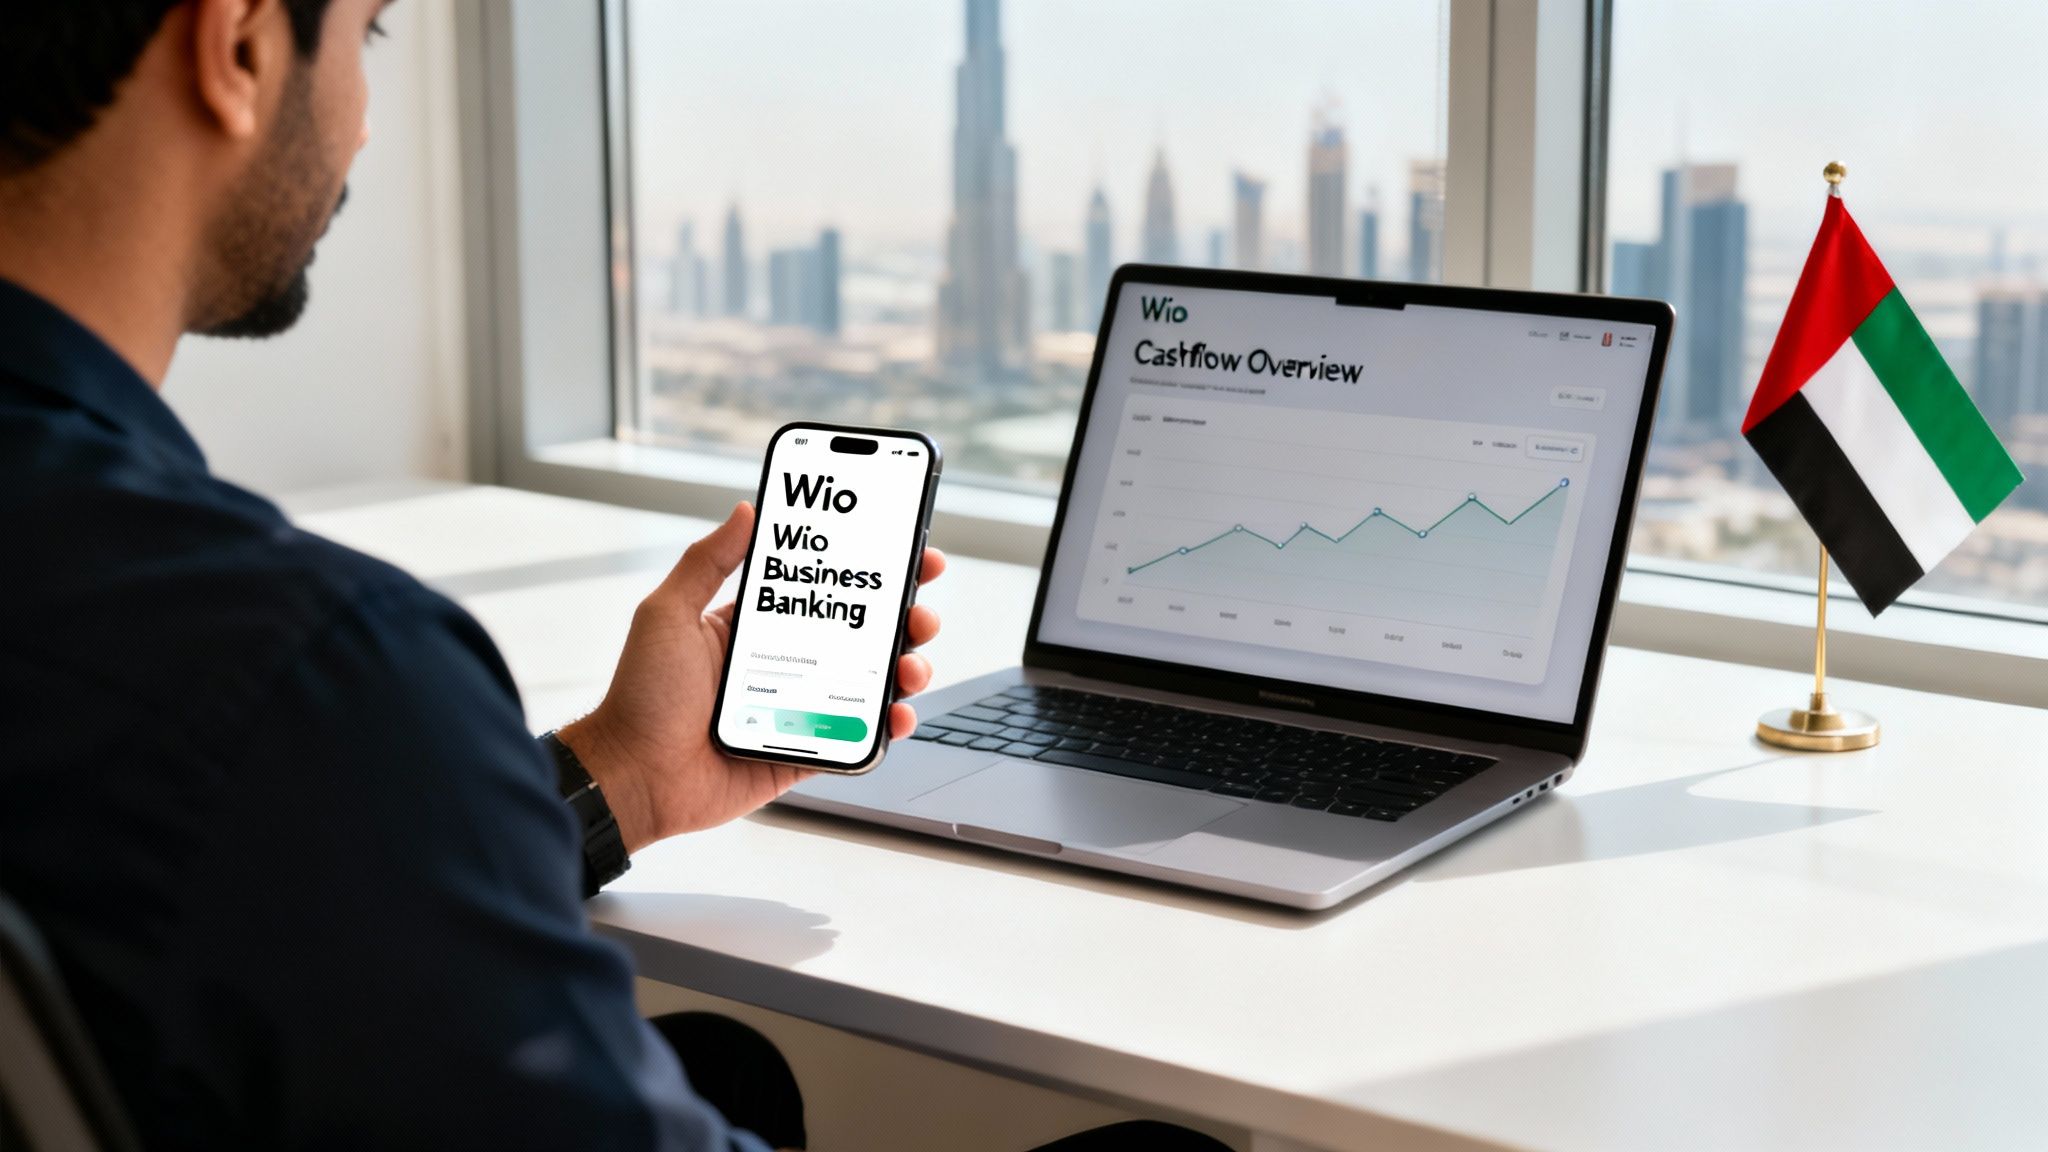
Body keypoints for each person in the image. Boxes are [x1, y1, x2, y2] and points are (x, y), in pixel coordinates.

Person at [0, 3, 1232, 1150]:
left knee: (719, 1065)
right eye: (368, 29)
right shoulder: (307, 667)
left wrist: (623, 778)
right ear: (241, 48)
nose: (366, 115)